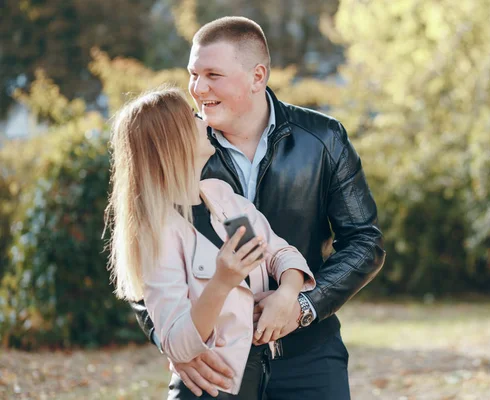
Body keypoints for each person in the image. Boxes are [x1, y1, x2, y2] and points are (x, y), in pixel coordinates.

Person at [132, 16, 386, 400]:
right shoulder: (176, 150)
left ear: (257, 76)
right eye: (193, 74)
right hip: (213, 364)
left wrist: (299, 304)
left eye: (213, 74)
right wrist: (175, 344)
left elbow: (365, 242)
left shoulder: (323, 138)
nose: (198, 89)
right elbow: (138, 267)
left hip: (310, 355)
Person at [105, 87, 316, 399]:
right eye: (192, 117)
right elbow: (177, 343)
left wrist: (287, 294)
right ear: (172, 141)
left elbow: (281, 254)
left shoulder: (223, 198)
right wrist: (221, 282)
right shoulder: (157, 233)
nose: (204, 121)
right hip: (208, 392)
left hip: (259, 381)